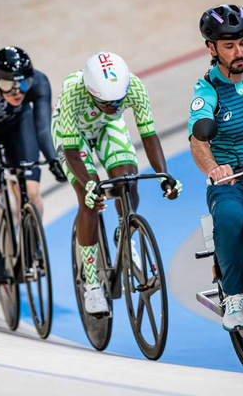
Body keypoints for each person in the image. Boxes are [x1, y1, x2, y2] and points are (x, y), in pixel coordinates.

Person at [52, 51, 182, 314]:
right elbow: (71, 150)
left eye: (118, 101)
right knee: (90, 200)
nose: (114, 106)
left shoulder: (134, 87)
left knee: (128, 179)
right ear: (91, 91)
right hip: (72, 136)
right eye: (107, 101)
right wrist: (90, 184)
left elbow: (149, 135)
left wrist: (164, 175)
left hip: (107, 128)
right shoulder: (72, 90)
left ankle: (124, 233)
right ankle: (91, 284)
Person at [0, 46, 66, 285]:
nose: (17, 93)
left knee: (32, 191)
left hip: (17, 126)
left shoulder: (39, 82)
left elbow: (41, 129)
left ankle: (32, 241)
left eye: (23, 84)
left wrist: (53, 160)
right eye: (8, 86)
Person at [189, 4, 243, 332]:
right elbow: (198, 140)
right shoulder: (208, 90)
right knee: (229, 220)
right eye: (229, 46)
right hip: (233, 179)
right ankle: (235, 294)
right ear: (212, 49)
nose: (239, 51)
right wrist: (215, 168)